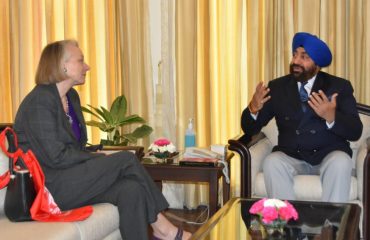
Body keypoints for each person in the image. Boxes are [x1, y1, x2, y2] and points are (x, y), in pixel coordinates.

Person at [13, 40, 191, 240]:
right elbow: (56, 157)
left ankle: (159, 231)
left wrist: (99, 155)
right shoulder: (40, 101)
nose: (87, 66)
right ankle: (164, 228)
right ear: (63, 66)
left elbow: (76, 147)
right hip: (52, 188)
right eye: (80, 61)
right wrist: (101, 158)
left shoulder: (70, 97)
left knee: (130, 189)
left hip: (73, 179)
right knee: (126, 159)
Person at [241, 32, 363, 202]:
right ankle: (286, 225)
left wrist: (331, 116)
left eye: (304, 57)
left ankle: (332, 227)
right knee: (272, 162)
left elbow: (355, 131)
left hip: (329, 154)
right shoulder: (277, 87)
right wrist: (253, 109)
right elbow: (250, 129)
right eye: (295, 55)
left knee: (341, 162)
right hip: (292, 154)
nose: (296, 61)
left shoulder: (339, 86)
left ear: (317, 64)